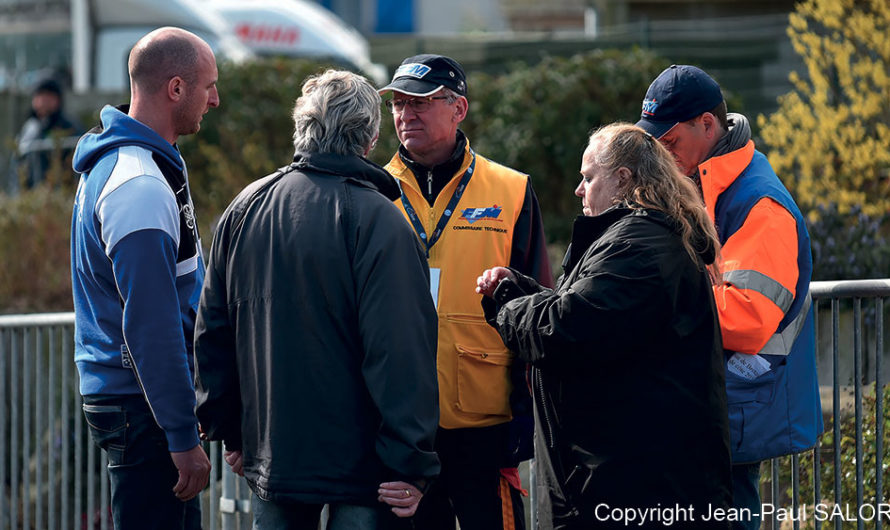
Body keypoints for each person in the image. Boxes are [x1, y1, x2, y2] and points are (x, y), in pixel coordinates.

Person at [193, 69, 440, 529]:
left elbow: (212, 333)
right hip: (365, 472)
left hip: (273, 456)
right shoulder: (382, 221)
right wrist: (411, 462)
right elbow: (401, 352)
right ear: (368, 140)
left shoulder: (244, 208)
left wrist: (230, 431)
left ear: (301, 129)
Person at [477, 123, 733, 529]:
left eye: (588, 177)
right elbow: (585, 312)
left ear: (622, 178)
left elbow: (567, 330)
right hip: (633, 481)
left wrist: (506, 302)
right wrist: (524, 290)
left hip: (636, 490)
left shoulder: (638, 244)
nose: (580, 190)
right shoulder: (637, 237)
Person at [635, 64, 823, 530]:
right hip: (715, 403)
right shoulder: (706, 185)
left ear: (707, 124)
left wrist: (650, 303)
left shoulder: (759, 203)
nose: (661, 154)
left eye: (670, 141)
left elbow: (746, 318)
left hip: (735, 409)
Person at [379, 54, 553, 530]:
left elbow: (538, 303)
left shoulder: (511, 189)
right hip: (399, 426)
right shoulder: (372, 192)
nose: (405, 114)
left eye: (420, 103)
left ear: (459, 110)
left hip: (486, 422)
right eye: (398, 103)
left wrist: (526, 413)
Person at [70, 27, 219, 529]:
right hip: (143, 407)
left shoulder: (126, 165)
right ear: (175, 89)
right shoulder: (138, 183)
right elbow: (150, 326)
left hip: (135, 399)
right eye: (207, 86)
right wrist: (181, 435)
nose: (214, 99)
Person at [14, 77, 83, 190]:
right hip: (31, 198)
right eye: (40, 95)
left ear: (58, 99)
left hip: (63, 197)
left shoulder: (70, 128)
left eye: (49, 95)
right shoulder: (28, 129)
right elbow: (17, 167)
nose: (43, 100)